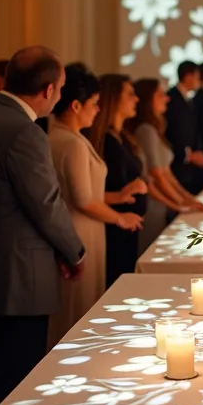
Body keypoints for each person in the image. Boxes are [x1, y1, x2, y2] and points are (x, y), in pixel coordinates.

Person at [0, 46, 85, 405]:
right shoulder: (23, 131)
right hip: (19, 274)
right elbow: (46, 203)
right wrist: (74, 251)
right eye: (60, 89)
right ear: (47, 90)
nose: (59, 96)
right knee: (17, 375)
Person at [46, 68, 144, 347]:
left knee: (79, 307)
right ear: (76, 106)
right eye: (93, 104)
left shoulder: (62, 137)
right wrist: (120, 218)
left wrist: (119, 198)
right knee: (79, 310)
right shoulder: (72, 143)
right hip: (81, 232)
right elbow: (83, 199)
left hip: (81, 229)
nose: (98, 109)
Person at [128, 78, 203, 251]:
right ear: (148, 100)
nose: (167, 98)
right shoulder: (146, 130)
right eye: (161, 95)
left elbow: (167, 174)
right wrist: (180, 203)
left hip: (161, 204)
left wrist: (187, 199)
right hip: (153, 205)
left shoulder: (153, 129)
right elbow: (157, 174)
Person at [89, 75, 150, 287]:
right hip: (114, 228)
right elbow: (90, 194)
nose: (136, 100)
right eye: (130, 95)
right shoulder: (104, 141)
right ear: (114, 99)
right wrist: (123, 196)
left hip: (127, 229)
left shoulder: (122, 137)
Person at [165, 61, 203, 193]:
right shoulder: (172, 99)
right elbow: (172, 132)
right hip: (177, 165)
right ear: (188, 77)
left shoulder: (186, 99)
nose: (199, 82)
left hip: (186, 166)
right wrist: (189, 155)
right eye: (197, 77)